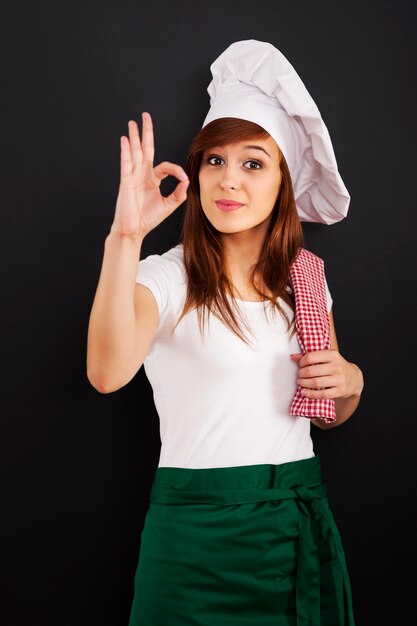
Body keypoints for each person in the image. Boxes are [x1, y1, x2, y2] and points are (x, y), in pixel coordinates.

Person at [87, 40, 364, 626]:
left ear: (282, 183)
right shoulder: (164, 276)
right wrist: (125, 238)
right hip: (192, 540)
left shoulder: (306, 281)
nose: (227, 181)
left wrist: (352, 379)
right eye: (214, 160)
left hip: (293, 530)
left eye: (252, 163)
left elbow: (329, 411)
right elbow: (107, 374)